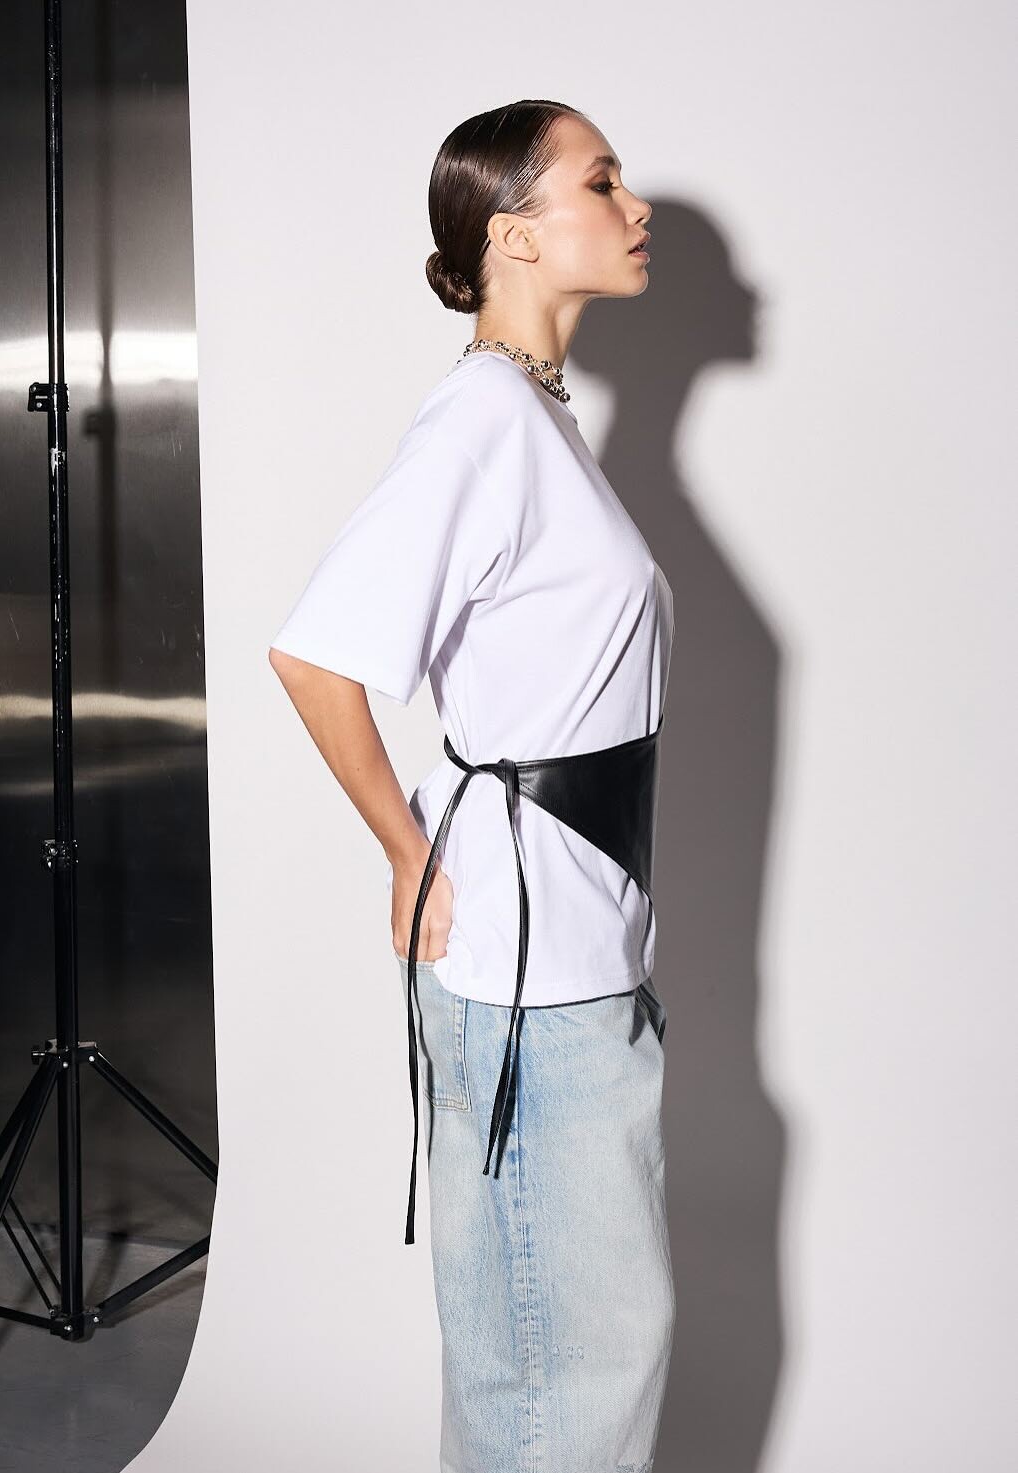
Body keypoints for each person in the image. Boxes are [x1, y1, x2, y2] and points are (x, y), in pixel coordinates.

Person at [269, 98, 675, 1473]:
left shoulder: (535, 417)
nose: (636, 206)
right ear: (514, 234)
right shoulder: (485, 418)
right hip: (526, 974)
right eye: (602, 182)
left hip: (574, 951)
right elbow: (317, 654)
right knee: (569, 1368)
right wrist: (407, 850)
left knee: (555, 1359)